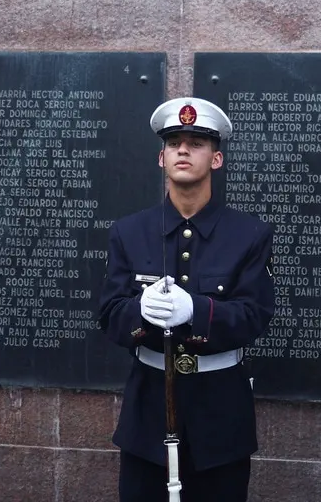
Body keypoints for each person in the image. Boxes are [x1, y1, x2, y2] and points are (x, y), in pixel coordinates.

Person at [99, 97, 275, 502]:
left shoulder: (249, 234)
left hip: (220, 413)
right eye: (174, 142)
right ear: (161, 158)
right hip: (148, 412)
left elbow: (255, 315)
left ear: (216, 159)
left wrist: (197, 311)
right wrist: (138, 312)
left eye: (196, 143)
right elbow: (109, 313)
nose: (183, 149)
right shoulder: (129, 231)